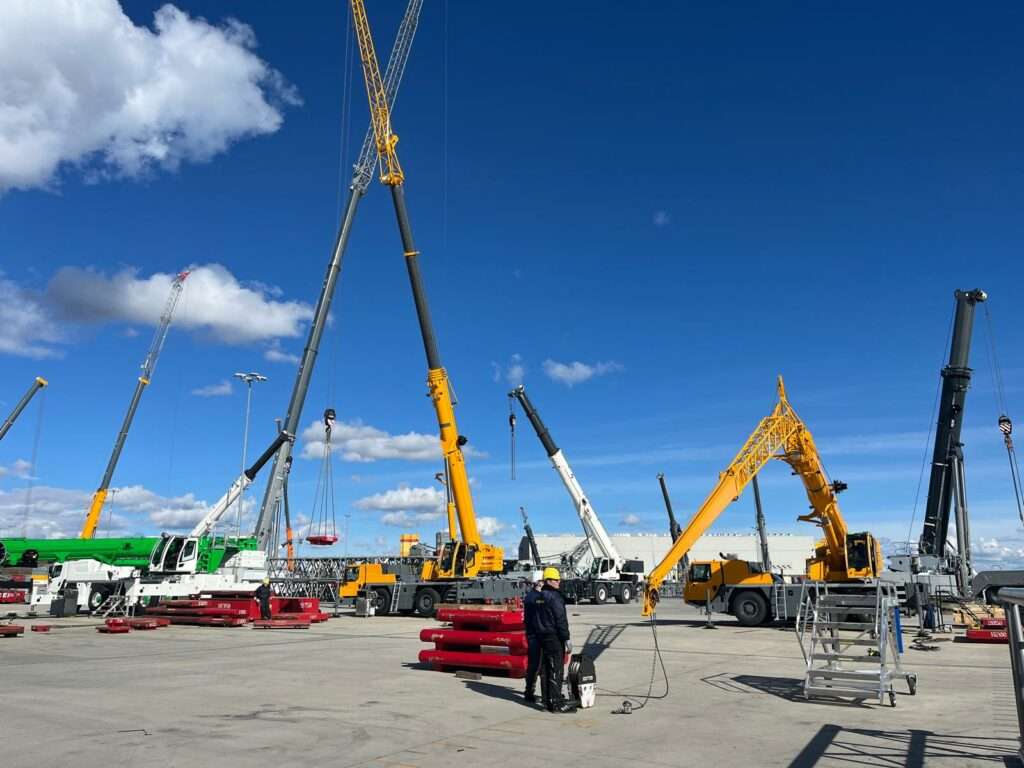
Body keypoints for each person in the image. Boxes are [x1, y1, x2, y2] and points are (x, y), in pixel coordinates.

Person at [535, 566, 576, 713]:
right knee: (556, 669)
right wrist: (566, 638)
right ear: (549, 581)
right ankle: (557, 703)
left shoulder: (538, 597)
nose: (559, 582)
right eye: (557, 580)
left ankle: (547, 702)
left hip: (541, 638)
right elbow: (560, 619)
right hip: (554, 638)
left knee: (545, 670)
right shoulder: (555, 597)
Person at [523, 579, 544, 704]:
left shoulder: (531, 596)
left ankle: (530, 691)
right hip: (535, 635)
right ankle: (529, 692)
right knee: (535, 665)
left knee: (534, 664)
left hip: (532, 633)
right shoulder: (535, 598)